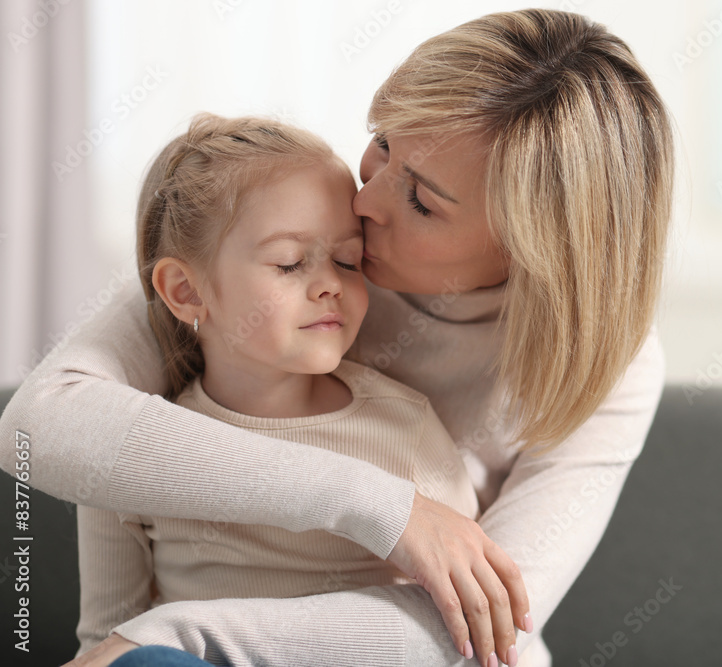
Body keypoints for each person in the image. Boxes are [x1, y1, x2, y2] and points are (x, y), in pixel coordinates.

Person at [1, 9, 673, 667]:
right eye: (383, 142)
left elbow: (475, 636)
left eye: (421, 201)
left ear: (532, 249)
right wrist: (386, 507)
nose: (365, 200)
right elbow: (37, 428)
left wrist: (174, 633)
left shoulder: (610, 364)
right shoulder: (294, 235)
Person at [73, 113, 481, 657]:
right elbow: (107, 642)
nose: (330, 285)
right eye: (290, 264)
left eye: (347, 260)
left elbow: (466, 618)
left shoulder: (404, 428)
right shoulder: (135, 452)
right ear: (187, 291)